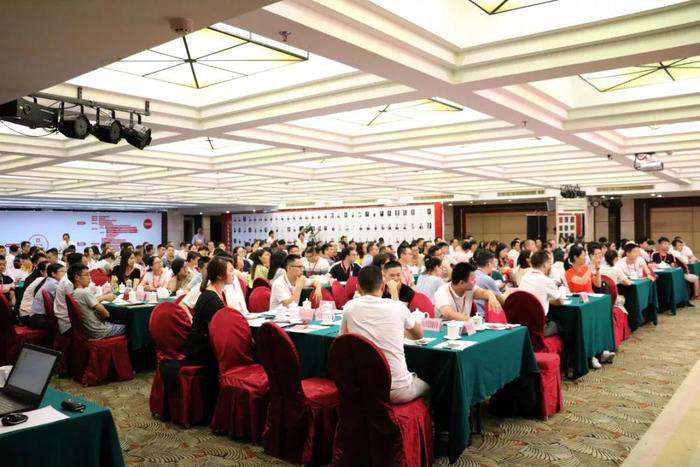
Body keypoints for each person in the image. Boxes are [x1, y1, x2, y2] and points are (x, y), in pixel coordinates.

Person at [341, 266, 429, 403]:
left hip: (363, 386)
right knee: (429, 386)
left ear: (358, 287)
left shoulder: (349, 307)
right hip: (398, 390)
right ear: (383, 285)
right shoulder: (398, 307)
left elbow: (343, 341)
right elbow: (419, 335)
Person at [69, 264, 124, 339]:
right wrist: (101, 302)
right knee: (130, 325)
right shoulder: (85, 292)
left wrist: (101, 298)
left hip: (88, 331)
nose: (89, 278)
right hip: (99, 331)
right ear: (76, 277)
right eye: (87, 275)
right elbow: (106, 314)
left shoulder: (75, 293)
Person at [434, 262, 502, 321]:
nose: (475, 281)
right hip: (445, 329)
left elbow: (483, 292)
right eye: (472, 280)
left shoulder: (470, 289)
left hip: (465, 327)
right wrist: (473, 321)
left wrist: (491, 297)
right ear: (461, 283)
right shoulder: (442, 292)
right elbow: (449, 313)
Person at [518, 251, 564, 336]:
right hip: (539, 325)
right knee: (561, 324)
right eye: (549, 263)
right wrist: (546, 301)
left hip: (523, 322)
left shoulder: (525, 277)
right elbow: (561, 302)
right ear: (545, 265)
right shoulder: (546, 280)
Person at [26, 263, 66, 329]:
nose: (65, 274)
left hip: (36, 317)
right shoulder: (54, 284)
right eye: (62, 271)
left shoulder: (49, 281)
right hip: (39, 318)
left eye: (65, 271)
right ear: (53, 274)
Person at [473, 250, 507, 315]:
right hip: (482, 314)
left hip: (473, 313)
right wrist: (508, 292)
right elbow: (502, 301)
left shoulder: (472, 275)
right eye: (493, 264)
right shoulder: (487, 279)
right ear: (489, 264)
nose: (493, 267)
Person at [18, 261, 50, 326]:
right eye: (49, 270)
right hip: (28, 315)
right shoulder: (41, 279)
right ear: (42, 272)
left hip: (30, 313)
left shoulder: (40, 279)